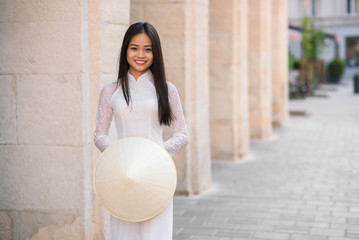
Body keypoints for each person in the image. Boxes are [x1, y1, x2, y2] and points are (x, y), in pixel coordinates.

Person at [94, 22, 189, 240]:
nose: (141, 55)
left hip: (157, 176)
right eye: (134, 47)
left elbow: (182, 133)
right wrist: (119, 157)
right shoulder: (111, 91)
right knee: (124, 233)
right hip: (122, 177)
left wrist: (156, 154)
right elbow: (99, 134)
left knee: (155, 234)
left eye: (148, 49)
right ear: (125, 50)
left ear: (156, 53)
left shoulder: (167, 89)